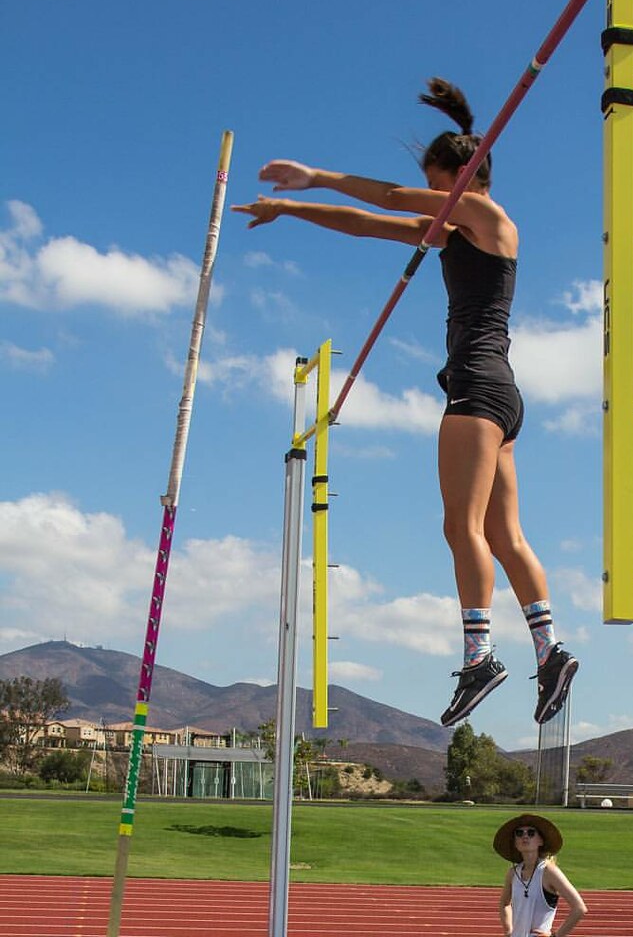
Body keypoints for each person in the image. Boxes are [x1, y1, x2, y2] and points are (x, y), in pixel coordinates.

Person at [232, 78, 578, 726]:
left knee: (460, 527)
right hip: (498, 393)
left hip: (477, 388)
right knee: (502, 534)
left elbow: (389, 198)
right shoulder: (462, 231)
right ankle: (550, 651)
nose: (432, 199)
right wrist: (291, 211)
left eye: (437, 187)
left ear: (464, 179)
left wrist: (315, 177)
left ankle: (480, 657)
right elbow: (370, 224)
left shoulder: (489, 218)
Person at [493, 813, 587, 937]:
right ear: (515, 843)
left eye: (531, 833)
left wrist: (556, 936)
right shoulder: (513, 873)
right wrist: (508, 930)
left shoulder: (548, 871)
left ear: (540, 841)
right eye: (519, 833)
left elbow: (579, 908)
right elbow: (504, 903)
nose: (525, 836)